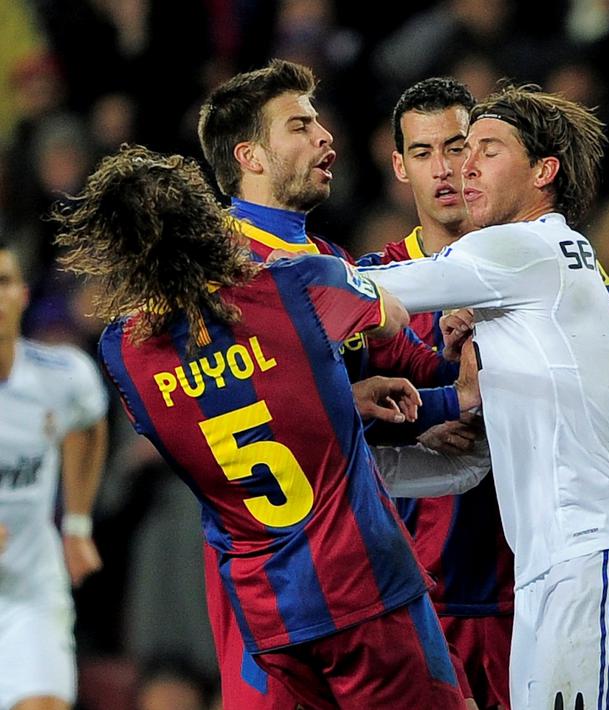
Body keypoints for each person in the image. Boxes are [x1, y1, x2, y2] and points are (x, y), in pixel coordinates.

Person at [57, 145, 468, 709]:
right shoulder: (297, 282)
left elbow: (224, 416)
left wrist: (339, 397)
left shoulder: (122, 353)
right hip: (362, 586)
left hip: (270, 615)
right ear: (210, 223)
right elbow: (392, 315)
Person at [359, 84, 609, 710]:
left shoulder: (515, 247)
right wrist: (362, 464)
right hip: (562, 568)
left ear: (542, 171)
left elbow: (369, 288)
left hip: (592, 559)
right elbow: (475, 462)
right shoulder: (539, 275)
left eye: (485, 150)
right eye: (458, 151)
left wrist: (262, 277)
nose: (462, 167)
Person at [196, 59, 479, 709]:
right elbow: (213, 419)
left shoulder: (330, 264)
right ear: (251, 157)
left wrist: (455, 373)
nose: (326, 136)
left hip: (360, 563)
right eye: (300, 125)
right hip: (270, 579)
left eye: (320, 121)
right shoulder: (219, 277)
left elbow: (404, 374)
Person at [369, 76, 516, 710]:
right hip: (418, 589)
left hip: (523, 581)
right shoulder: (371, 288)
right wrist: (423, 421)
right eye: (423, 153)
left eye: (457, 147)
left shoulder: (537, 263)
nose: (445, 170)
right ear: (400, 165)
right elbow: (332, 409)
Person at [0, 237, 108, 710]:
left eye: (2, 282)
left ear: (23, 295)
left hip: (29, 589)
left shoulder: (62, 377)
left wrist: (78, 524)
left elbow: (88, 423)